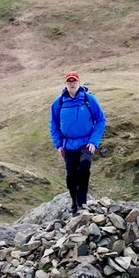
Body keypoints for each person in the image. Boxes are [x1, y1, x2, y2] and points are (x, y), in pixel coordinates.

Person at [49, 71, 106, 214]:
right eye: (69, 81)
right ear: (66, 84)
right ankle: (75, 203)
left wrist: (94, 141)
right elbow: (54, 125)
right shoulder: (59, 102)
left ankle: (82, 203)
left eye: (74, 81)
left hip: (86, 143)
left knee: (85, 167)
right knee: (71, 177)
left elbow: (101, 120)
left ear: (79, 82)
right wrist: (59, 145)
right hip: (68, 145)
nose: (72, 84)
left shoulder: (88, 99)